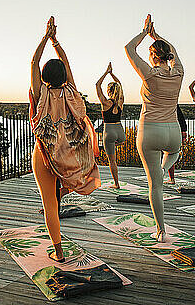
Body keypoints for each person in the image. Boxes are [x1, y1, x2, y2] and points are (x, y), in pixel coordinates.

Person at [30, 16, 101, 262]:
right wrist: (55, 41)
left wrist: (44, 37)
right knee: (57, 195)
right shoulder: (71, 90)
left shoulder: (41, 93)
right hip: (68, 156)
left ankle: (58, 251)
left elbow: (33, 62)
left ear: (46, 76)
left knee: (49, 203)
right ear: (63, 76)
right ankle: (66, 184)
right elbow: (67, 63)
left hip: (45, 154)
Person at [125, 14, 184, 242]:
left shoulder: (149, 74)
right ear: (167, 55)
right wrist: (156, 35)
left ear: (152, 56)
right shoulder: (178, 72)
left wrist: (144, 32)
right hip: (173, 131)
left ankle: (160, 230)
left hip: (150, 130)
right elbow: (174, 49)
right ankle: (163, 168)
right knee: (175, 153)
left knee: (155, 185)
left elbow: (129, 49)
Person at [96, 62, 126, 189]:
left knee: (112, 161)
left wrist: (106, 73)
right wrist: (112, 74)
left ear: (109, 91)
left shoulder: (105, 103)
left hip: (109, 132)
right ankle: (114, 144)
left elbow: (97, 85)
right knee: (116, 144)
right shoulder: (120, 102)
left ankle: (116, 183)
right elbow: (120, 84)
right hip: (120, 132)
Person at [165, 105, 188, 185]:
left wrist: (184, 130)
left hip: (167, 129)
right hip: (171, 129)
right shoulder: (172, 101)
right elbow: (180, 116)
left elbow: (180, 116)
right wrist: (184, 129)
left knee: (169, 154)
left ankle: (170, 177)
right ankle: (171, 178)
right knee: (170, 154)